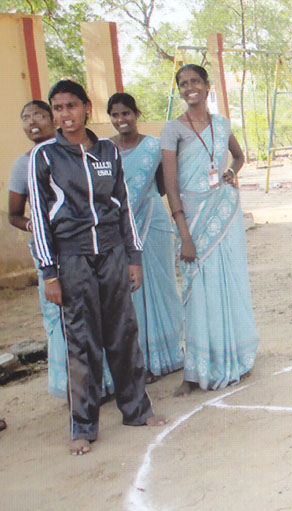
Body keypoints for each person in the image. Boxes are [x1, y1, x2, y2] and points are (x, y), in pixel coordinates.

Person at [27, 80, 166, 455]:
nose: (65, 114)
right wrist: (49, 273)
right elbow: (38, 218)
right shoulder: (45, 156)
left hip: (112, 253)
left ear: (86, 108)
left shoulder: (107, 151)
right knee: (82, 342)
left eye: (71, 106)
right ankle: (84, 426)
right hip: (72, 260)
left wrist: (133, 258)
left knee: (123, 334)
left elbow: (123, 206)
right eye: (58, 108)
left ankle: (137, 410)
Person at [160, 64, 260, 396]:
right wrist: (184, 234)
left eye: (195, 81)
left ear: (206, 85)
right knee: (198, 292)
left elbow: (238, 157)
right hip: (193, 218)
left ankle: (234, 354)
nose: (190, 87)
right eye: (183, 83)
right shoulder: (172, 129)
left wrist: (232, 173)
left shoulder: (222, 124)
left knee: (228, 282)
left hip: (223, 213)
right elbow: (171, 185)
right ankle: (196, 370)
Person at [8, 100, 117, 400]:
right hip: (50, 253)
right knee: (60, 316)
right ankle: (76, 387)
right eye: (26, 117)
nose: (33, 121)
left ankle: (105, 380)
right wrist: (35, 226)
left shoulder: (76, 154)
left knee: (94, 310)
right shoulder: (24, 163)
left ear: (53, 119)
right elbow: (14, 214)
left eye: (39, 115)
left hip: (84, 247)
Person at [107, 93, 184, 382]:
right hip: (120, 230)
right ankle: (140, 362)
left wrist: (144, 201)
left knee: (163, 286)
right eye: (115, 115)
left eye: (126, 113)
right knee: (131, 293)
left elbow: (164, 185)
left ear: (136, 114)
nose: (121, 120)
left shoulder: (153, 146)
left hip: (154, 222)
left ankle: (169, 354)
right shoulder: (105, 150)